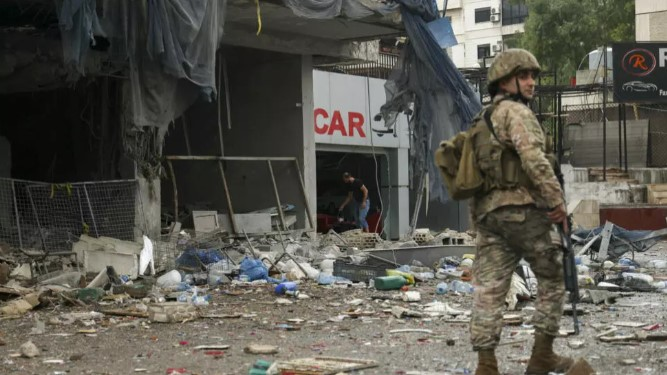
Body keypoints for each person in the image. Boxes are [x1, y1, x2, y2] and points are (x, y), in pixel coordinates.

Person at [469, 49, 573, 375]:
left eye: (533, 77)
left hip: (488, 215)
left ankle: (486, 365)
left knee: (489, 290)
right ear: (505, 81)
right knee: (554, 277)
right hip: (523, 210)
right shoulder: (517, 113)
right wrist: (557, 202)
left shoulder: (481, 119)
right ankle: (542, 356)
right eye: (524, 76)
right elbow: (533, 159)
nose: (531, 83)